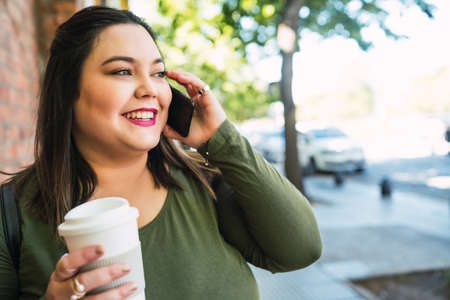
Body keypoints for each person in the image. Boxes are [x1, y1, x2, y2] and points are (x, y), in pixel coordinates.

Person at [0, 6, 322, 300]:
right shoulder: (10, 215)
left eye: (158, 73)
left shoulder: (206, 183)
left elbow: (301, 249)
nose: (150, 89)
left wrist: (221, 140)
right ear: (67, 92)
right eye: (122, 71)